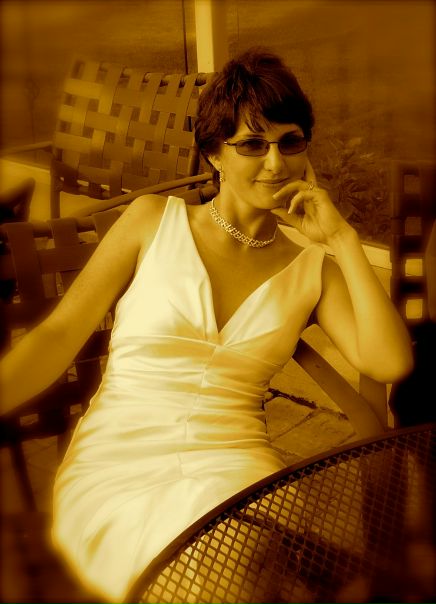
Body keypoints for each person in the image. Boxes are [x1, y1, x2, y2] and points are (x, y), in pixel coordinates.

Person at [0, 49, 413, 602]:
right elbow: (57, 335)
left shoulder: (313, 268)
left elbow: (390, 362)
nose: (276, 163)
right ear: (215, 153)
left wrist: (342, 239)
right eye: (252, 144)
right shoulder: (152, 221)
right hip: (120, 458)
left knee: (237, 559)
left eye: (290, 142)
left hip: (235, 464)